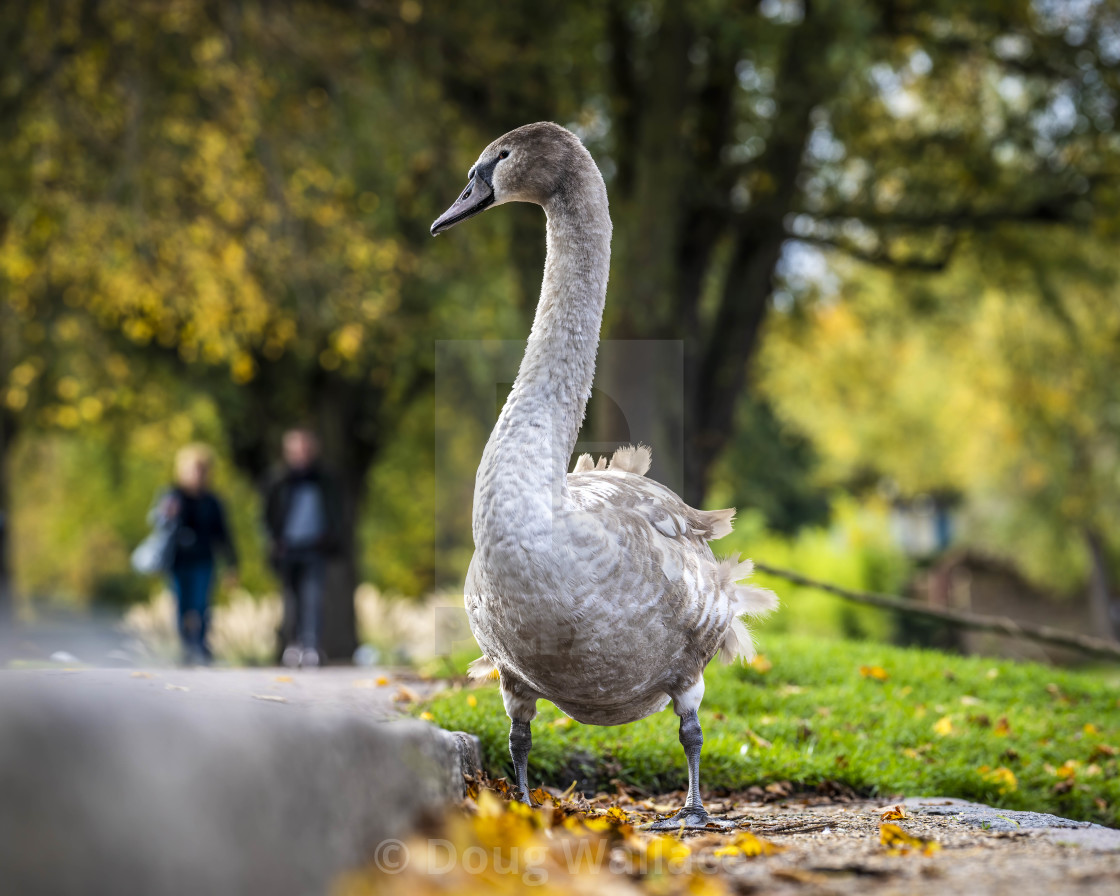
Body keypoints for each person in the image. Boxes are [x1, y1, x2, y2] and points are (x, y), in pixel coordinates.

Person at [154, 444, 238, 665]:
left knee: (201, 604)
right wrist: (166, 515)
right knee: (182, 604)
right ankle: (186, 644)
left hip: (203, 559)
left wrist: (232, 564)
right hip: (178, 560)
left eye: (201, 470)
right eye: (192, 469)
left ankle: (201, 644)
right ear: (181, 471)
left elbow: (224, 533)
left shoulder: (213, 501)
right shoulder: (172, 495)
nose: (197, 475)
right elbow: (158, 522)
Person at [264, 429, 341, 668]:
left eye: (306, 450)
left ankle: (311, 646)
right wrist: (273, 541)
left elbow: (336, 513)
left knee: (314, 598)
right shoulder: (278, 480)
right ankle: (293, 644)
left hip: (315, 547)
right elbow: (268, 515)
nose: (302, 455)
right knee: (291, 599)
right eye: (297, 450)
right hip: (288, 548)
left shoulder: (325, 480)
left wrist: (330, 538)